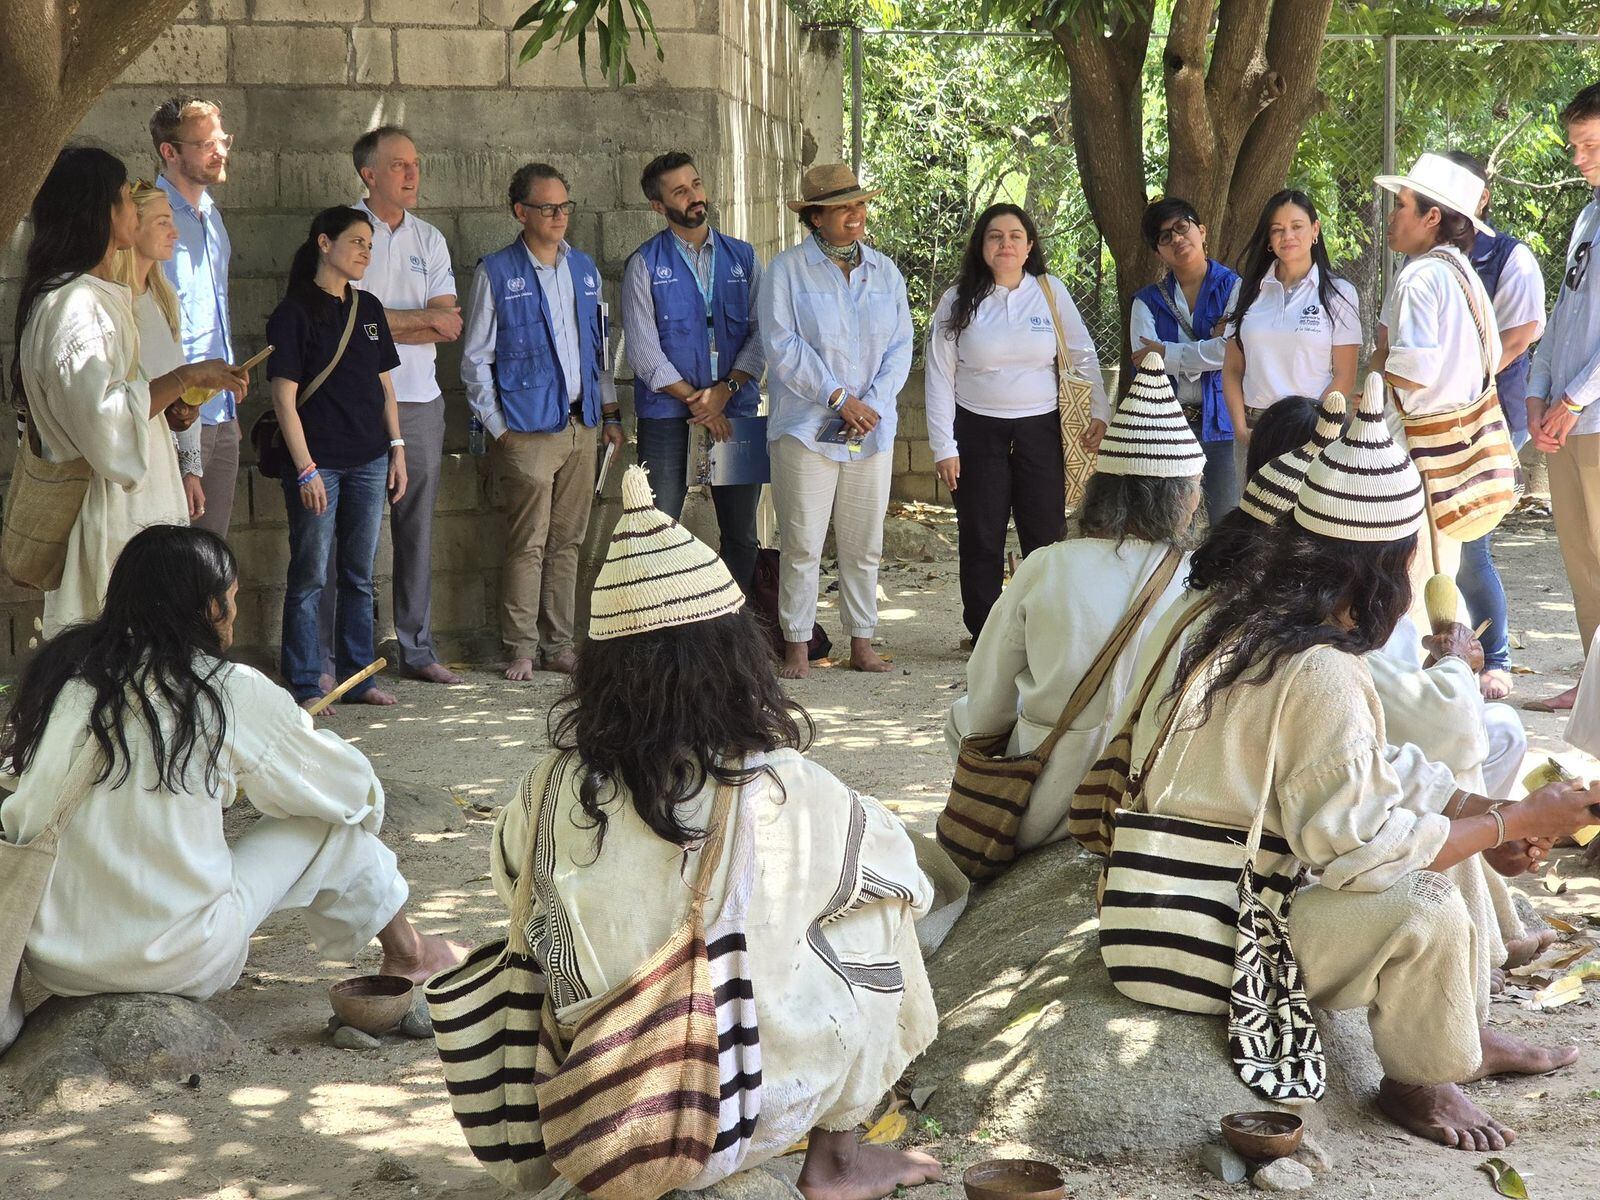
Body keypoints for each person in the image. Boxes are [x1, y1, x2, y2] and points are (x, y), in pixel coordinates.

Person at [1113, 382, 1588, 1150]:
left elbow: (1372, 767)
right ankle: (1420, 1081)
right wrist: (1517, 818)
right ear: (1387, 567)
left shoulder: (1235, 611)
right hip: (1216, 929)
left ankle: (1462, 1038)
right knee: (1424, 898)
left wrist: (1479, 814)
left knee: (1447, 829)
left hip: (1170, 890)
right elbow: (1367, 855)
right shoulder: (1318, 663)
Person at [477, 465, 940, 1200]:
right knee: (881, 907)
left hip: (604, 1106)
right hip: (738, 1110)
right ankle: (839, 1158)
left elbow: (513, 888)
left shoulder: (546, 791)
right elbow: (908, 874)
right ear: (733, 656)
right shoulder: (791, 786)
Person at [0, 526, 460, 1005]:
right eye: (233, 598)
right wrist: (289, 737)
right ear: (211, 607)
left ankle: (412, 953)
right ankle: (412, 954)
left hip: (56, 961)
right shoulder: (226, 689)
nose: (234, 613)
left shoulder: (65, 678)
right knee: (331, 822)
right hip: (179, 961)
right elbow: (350, 793)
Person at [941, 354, 1201, 854]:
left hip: (1039, 805)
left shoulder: (1047, 565)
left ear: (1101, 492)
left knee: (961, 714)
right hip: (1144, 795)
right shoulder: (1197, 581)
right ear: (1181, 499)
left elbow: (988, 697)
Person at [12, 147, 243, 636]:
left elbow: (123, 401)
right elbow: (108, 423)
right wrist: (184, 378)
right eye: (123, 197)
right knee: (119, 654)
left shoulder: (91, 298)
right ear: (101, 213)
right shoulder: (76, 306)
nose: (131, 209)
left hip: (138, 513)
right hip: (114, 517)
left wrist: (167, 411)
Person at [461, 163, 626, 680]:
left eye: (564, 206)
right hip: (526, 431)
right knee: (527, 541)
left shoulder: (585, 270)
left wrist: (607, 412)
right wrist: (499, 429)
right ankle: (521, 648)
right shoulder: (496, 272)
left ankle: (560, 644)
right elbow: (475, 359)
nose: (559, 216)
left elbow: (598, 350)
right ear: (520, 212)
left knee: (568, 540)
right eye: (547, 207)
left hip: (582, 426)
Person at [925, 203, 1111, 638]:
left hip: (1041, 431)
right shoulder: (958, 299)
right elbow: (937, 373)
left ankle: (1045, 631)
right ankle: (985, 634)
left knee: (1046, 536)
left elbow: (1083, 354)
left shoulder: (1049, 291)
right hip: (976, 432)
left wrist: (1100, 412)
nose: (1005, 244)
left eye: (1014, 236)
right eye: (995, 236)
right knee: (981, 535)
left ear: (1029, 246)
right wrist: (943, 446)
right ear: (981, 246)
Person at [760, 164, 913, 678]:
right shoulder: (786, 270)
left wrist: (870, 403)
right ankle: (797, 647)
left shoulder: (885, 271)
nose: (856, 214)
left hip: (870, 425)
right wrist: (839, 397)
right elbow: (781, 346)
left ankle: (863, 643)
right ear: (816, 217)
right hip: (807, 427)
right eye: (844, 206)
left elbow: (900, 345)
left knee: (863, 540)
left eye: (860, 204)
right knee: (802, 541)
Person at [265, 207, 407, 709]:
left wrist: (397, 448)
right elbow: (285, 399)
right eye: (356, 242)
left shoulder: (368, 307)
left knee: (359, 573)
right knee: (310, 574)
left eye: (370, 243)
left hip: (369, 458)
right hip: (318, 462)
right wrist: (305, 468)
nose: (366, 251)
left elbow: (385, 387)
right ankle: (305, 680)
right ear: (324, 243)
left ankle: (358, 676)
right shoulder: (294, 312)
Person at [346, 125, 465, 686]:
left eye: (415, 163)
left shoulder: (430, 239)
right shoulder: (343, 231)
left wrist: (378, 319)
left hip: (420, 400)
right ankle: (352, 654)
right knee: (354, 530)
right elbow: (342, 320)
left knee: (415, 527)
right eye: (398, 165)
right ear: (369, 175)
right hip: (355, 403)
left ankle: (416, 649)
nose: (412, 174)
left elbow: (449, 323)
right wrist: (409, 321)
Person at [1371, 152, 1502, 630]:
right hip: (1459, 452)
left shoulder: (1421, 276)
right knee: (1438, 576)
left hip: (1416, 451)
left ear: (1432, 217)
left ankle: (1424, 683)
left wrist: (1372, 382)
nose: (1392, 216)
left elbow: (1413, 370)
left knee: (1408, 579)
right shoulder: (1465, 276)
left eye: (1401, 205)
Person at [622, 150, 764, 590]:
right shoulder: (644, 264)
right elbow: (645, 355)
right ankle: (666, 639)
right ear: (658, 206)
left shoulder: (743, 257)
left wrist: (725, 390)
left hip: (736, 412)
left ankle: (732, 633)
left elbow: (764, 336)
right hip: (666, 418)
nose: (694, 196)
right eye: (680, 191)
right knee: (658, 530)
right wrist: (700, 402)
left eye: (696, 184)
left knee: (742, 534)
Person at [1441, 151, 1546, 702]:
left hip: (1490, 421)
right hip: (1436, 424)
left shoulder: (1510, 257)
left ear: (1483, 196)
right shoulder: (1427, 256)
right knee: (1437, 548)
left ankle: (1496, 658)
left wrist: (1456, 377)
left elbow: (1520, 334)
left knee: (1470, 544)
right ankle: (1451, 649)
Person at [1525, 84, 1600, 713]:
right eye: (1577, 146)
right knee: (1581, 560)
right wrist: (1537, 389)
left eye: (1591, 145)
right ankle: (1594, 686)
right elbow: (1566, 310)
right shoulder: (1586, 215)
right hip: (1564, 419)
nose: (1580, 159)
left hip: (1591, 415)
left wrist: (1574, 397)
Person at [1221, 189, 1360, 480]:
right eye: (1278, 230)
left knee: (1308, 523)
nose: (1288, 236)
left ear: (1315, 230)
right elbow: (1232, 368)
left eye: (1297, 226)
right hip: (1254, 428)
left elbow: (1344, 375)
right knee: (1253, 522)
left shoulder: (1339, 294)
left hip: (1312, 430)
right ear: (1269, 240)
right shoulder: (1245, 290)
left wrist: (1313, 426)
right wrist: (1238, 426)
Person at [152, 94, 240, 537]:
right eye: (205, 143)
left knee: (212, 565)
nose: (220, 151)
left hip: (222, 413)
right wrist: (180, 443)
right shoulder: (152, 219)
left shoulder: (212, 216)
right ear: (170, 151)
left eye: (222, 140)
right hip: (177, 415)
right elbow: (155, 333)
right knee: (176, 568)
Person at [1129, 197, 1239, 522]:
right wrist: (1211, 347)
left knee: (1226, 526)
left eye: (1182, 227)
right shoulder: (1146, 303)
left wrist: (1166, 352)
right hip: (1167, 429)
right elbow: (1145, 366)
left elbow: (1230, 353)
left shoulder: (1236, 288)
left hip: (1222, 425)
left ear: (1201, 231)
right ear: (1159, 252)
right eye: (1165, 237)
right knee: (1168, 526)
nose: (1176, 238)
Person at [107, 179, 195, 531]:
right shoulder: (112, 300)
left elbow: (177, 375)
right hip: (130, 466)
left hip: (167, 458)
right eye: (162, 222)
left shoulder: (164, 294)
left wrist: (190, 466)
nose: (174, 232)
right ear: (132, 225)